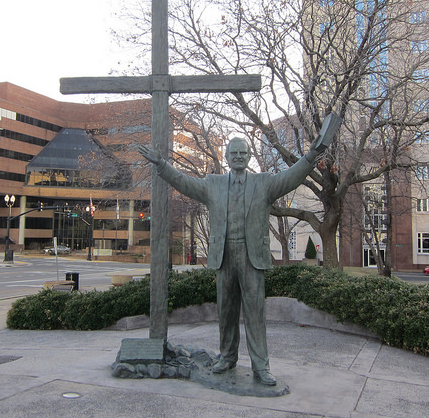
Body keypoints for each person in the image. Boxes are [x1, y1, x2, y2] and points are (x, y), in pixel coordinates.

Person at [138, 116, 339, 386]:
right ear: (227, 157)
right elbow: (185, 182)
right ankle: (227, 356)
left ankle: (261, 367)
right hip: (224, 257)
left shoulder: (264, 183)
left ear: (249, 156)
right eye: (234, 153)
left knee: (255, 313)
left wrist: (312, 155)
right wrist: (162, 164)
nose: (238, 157)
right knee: (226, 311)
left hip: (251, 256)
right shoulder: (213, 184)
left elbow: (291, 177)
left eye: (243, 153)